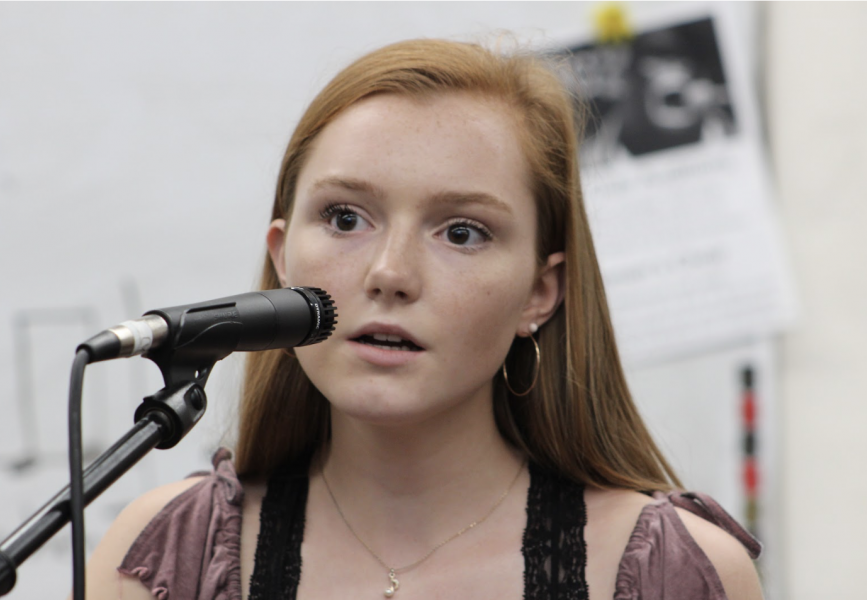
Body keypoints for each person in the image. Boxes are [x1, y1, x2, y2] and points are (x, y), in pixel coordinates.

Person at [80, 38, 763, 600]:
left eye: (462, 232)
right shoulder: (166, 562)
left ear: (540, 291)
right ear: (283, 258)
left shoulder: (670, 573)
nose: (390, 274)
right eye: (346, 218)